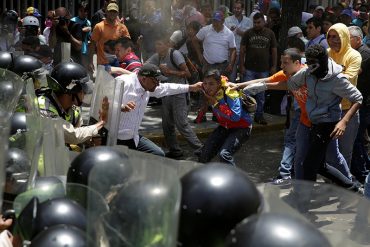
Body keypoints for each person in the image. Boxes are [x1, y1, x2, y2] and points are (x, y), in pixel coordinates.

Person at [243, 46, 362, 191]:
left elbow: (358, 98)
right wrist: (263, 86)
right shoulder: (307, 73)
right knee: (319, 165)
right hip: (312, 122)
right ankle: (353, 188)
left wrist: (344, 122)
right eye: (309, 64)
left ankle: (305, 201)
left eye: (313, 64)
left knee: (310, 164)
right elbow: (290, 83)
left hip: (328, 123)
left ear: (322, 62)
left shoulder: (337, 79)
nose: (310, 68)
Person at [115, 63, 202, 156]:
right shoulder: (123, 82)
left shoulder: (148, 86)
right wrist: (121, 107)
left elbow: (167, 88)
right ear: (144, 79)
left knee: (158, 154)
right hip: (115, 138)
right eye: (155, 81)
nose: (157, 84)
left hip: (133, 138)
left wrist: (191, 87)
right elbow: (103, 101)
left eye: (158, 81)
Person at [146, 36, 203, 158]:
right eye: (156, 44)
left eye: (160, 44)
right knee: (167, 124)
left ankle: (201, 150)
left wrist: (170, 72)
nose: (157, 47)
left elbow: (187, 73)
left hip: (179, 93)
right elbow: (146, 66)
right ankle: (175, 150)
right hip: (167, 92)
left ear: (167, 45)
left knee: (181, 123)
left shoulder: (175, 54)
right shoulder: (158, 56)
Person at [36, 62, 105, 145]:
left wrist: (88, 140)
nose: (85, 93)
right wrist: (101, 123)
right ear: (72, 90)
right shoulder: (43, 108)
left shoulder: (73, 109)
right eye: (82, 90)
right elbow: (73, 136)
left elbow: (78, 132)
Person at [197, 69, 252, 166]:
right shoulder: (206, 91)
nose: (207, 87)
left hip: (241, 127)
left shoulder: (230, 92)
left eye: (211, 84)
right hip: (225, 126)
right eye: (205, 83)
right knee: (204, 154)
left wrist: (216, 104)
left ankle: (233, 179)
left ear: (218, 84)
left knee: (224, 154)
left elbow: (235, 117)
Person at [326, 23, 362, 169]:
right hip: (328, 109)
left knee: (345, 152)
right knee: (329, 152)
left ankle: (343, 186)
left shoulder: (354, 55)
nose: (333, 40)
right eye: (330, 36)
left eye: (337, 37)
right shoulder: (327, 53)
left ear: (345, 37)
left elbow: (347, 79)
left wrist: (328, 80)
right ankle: (332, 182)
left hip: (348, 110)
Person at [240, 12, 277, 125]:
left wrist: (274, 66)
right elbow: (242, 51)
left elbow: (274, 50)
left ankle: (259, 115)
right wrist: (241, 65)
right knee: (246, 93)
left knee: (261, 95)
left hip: (264, 69)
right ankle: (245, 116)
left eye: (259, 22)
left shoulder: (270, 33)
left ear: (264, 22)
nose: (256, 24)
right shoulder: (248, 33)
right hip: (249, 68)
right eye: (254, 22)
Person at [348, 25, 370, 183]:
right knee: (358, 139)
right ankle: (364, 169)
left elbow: (354, 72)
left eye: (348, 38)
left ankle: (362, 173)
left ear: (358, 39)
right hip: (357, 101)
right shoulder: (356, 52)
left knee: (356, 138)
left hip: (362, 102)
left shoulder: (365, 53)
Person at [88, 2, 130, 72]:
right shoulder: (99, 26)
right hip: (103, 63)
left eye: (114, 11)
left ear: (117, 13)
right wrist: (90, 62)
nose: (112, 13)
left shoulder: (122, 27)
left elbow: (128, 43)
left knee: (117, 81)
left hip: (117, 62)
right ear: (106, 12)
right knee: (105, 82)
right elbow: (92, 44)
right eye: (110, 11)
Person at [224, 0, 252, 82]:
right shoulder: (227, 20)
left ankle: (243, 94)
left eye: (238, 8)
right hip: (231, 52)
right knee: (231, 77)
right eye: (235, 8)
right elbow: (224, 35)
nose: (236, 10)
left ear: (242, 9)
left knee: (244, 77)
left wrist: (241, 33)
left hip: (244, 53)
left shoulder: (248, 21)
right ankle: (230, 94)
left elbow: (251, 36)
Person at [71, 1, 91, 69]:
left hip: (84, 50)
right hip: (74, 50)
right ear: (78, 11)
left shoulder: (88, 22)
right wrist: (82, 30)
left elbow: (88, 38)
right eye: (81, 11)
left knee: (83, 69)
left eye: (85, 11)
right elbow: (70, 35)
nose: (83, 13)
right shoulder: (73, 21)